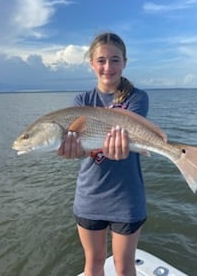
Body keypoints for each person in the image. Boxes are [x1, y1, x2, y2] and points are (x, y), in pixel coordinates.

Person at [57, 32, 149, 276]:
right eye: (101, 60)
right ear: (91, 63)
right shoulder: (81, 100)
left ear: (125, 62)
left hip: (127, 198)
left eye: (115, 60)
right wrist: (72, 151)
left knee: (124, 267)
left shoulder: (137, 98)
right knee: (94, 264)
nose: (108, 67)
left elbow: (133, 135)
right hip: (90, 196)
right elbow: (81, 148)